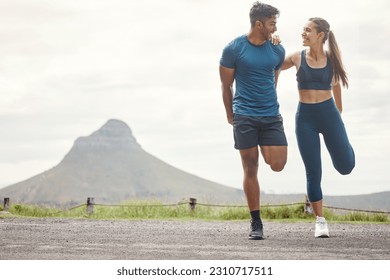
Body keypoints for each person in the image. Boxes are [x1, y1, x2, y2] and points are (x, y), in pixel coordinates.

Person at [219, 2, 287, 240]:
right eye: (272, 23)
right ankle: (256, 222)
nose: (275, 27)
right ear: (259, 24)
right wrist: (230, 114)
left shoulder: (277, 50)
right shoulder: (234, 48)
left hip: (270, 116)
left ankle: (256, 218)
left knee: (277, 163)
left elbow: (274, 75)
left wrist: (268, 97)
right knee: (250, 167)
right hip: (244, 115)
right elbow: (226, 84)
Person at [281, 17, 355, 237]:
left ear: (320, 35)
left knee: (345, 167)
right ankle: (320, 221)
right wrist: (272, 44)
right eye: (303, 30)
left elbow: (336, 84)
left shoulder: (332, 59)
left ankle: (347, 147)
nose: (303, 33)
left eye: (307, 30)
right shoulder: (296, 57)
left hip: (329, 115)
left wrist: (338, 114)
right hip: (305, 118)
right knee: (313, 171)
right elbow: (271, 63)